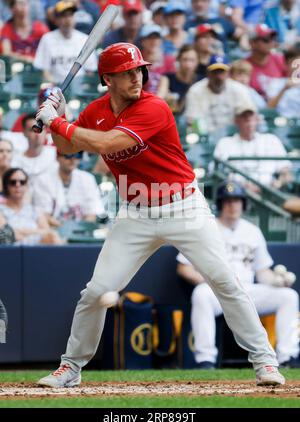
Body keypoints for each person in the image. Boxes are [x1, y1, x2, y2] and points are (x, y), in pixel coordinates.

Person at [35, 42, 285, 388]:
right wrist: (55, 119)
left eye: (139, 69)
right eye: (127, 72)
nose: (137, 77)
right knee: (95, 292)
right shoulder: (95, 110)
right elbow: (68, 147)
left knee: (225, 281)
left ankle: (265, 362)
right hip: (136, 212)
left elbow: (108, 144)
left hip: (183, 206)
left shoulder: (154, 107)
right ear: (108, 78)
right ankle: (71, 366)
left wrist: (59, 123)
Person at [177, 180, 300, 368]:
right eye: (227, 201)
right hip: (218, 291)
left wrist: (276, 281)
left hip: (247, 290)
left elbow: (262, 271)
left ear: (243, 204)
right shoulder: (206, 229)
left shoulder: (253, 231)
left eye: (236, 201)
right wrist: (206, 280)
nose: (232, 205)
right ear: (220, 204)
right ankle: (206, 359)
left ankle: (287, 357)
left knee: (288, 296)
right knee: (201, 293)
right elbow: (184, 267)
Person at [214, 104, 293, 191]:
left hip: (270, 192)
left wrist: (279, 183)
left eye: (251, 117)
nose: (249, 121)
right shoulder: (225, 143)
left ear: (257, 119)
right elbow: (217, 173)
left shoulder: (271, 139)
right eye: (244, 117)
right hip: (236, 193)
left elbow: (286, 172)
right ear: (236, 121)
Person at [32, 152, 105, 227]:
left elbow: (92, 213)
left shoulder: (87, 179)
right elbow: (43, 215)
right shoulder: (43, 179)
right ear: (57, 157)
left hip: (81, 230)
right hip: (52, 229)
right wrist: (65, 228)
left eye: (78, 155)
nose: (73, 159)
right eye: (68, 155)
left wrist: (78, 230)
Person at [184, 54, 253, 134]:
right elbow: (193, 122)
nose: (218, 77)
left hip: (235, 137)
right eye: (215, 72)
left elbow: (249, 116)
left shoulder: (239, 89)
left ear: (228, 73)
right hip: (206, 140)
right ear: (208, 73)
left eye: (222, 72)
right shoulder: (195, 91)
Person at [33, 0, 97, 84]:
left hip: (79, 88)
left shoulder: (85, 39)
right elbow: (44, 72)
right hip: (55, 88)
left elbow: (90, 71)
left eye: (71, 15)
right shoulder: (47, 39)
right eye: (63, 16)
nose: (68, 19)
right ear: (56, 20)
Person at [0, 168, 63, 244]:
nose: (18, 185)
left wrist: (22, 231)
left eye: (22, 182)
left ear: (26, 186)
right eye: (13, 182)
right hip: (10, 252)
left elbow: (47, 232)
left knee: (53, 236)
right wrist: (36, 232)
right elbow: (7, 234)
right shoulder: (1, 210)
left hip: (37, 251)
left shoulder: (35, 210)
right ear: (6, 186)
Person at [11, 113, 57, 185]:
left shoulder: (56, 155)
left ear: (46, 131)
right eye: (33, 130)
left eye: (41, 129)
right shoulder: (15, 160)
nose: (37, 133)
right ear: (24, 133)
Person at [246, 24, 287, 99]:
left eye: (273, 38)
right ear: (253, 43)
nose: (271, 43)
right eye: (266, 39)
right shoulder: (244, 65)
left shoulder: (279, 59)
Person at [157, 44, 199, 114]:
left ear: (197, 62)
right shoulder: (167, 78)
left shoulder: (200, 81)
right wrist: (164, 99)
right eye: (185, 60)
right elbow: (160, 96)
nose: (188, 64)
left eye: (192, 60)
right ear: (178, 60)